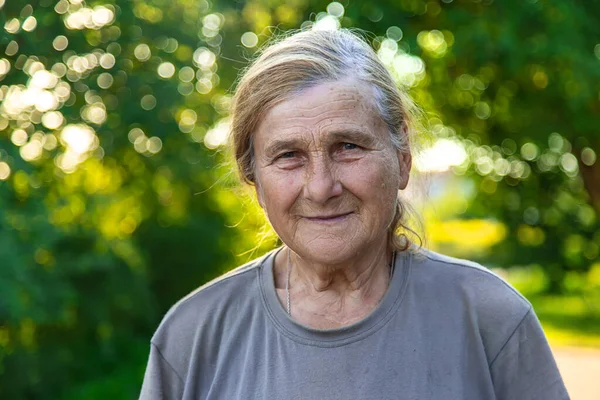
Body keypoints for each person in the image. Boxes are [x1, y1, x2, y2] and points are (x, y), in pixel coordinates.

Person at [140, 29, 569, 399]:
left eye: (348, 147)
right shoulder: (191, 339)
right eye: (289, 156)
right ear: (254, 179)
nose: (322, 187)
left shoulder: (490, 319)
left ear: (402, 156)